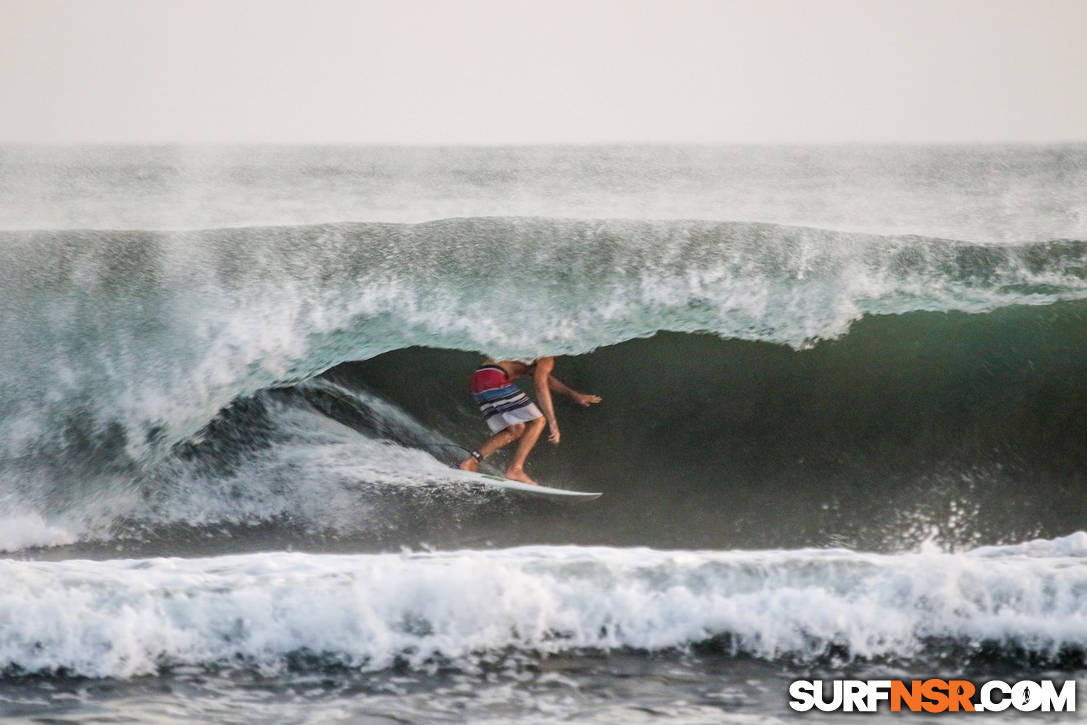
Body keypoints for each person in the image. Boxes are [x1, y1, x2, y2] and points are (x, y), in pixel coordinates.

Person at [459, 356, 601, 485]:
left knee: (516, 429)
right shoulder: (547, 356)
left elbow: (544, 378)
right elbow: (540, 385)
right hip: (494, 377)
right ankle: (515, 469)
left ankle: (471, 461)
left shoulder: (534, 347)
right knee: (538, 421)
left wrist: (574, 395)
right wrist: (553, 423)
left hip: (479, 378)